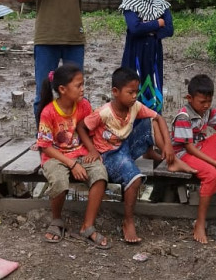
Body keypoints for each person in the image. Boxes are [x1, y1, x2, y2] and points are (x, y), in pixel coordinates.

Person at [77, 67, 195, 244]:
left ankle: (170, 160)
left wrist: (168, 146)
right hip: (109, 155)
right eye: (130, 92)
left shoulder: (135, 106)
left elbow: (159, 118)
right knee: (135, 179)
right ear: (115, 92)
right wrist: (92, 150)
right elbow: (81, 127)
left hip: (125, 145)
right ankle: (128, 221)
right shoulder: (104, 112)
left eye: (136, 92)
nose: (134, 96)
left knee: (150, 122)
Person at [35, 63, 110, 249]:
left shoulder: (83, 106)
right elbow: (44, 146)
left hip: (81, 153)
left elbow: (87, 131)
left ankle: (87, 225)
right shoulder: (49, 112)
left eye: (83, 84)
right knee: (59, 180)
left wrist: (93, 151)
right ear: (62, 89)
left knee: (100, 175)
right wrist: (71, 164)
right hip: (55, 157)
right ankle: (57, 220)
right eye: (78, 85)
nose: (83, 89)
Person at [171, 74, 216, 244]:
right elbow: (188, 148)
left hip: (199, 148)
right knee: (211, 173)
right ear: (189, 98)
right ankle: (200, 222)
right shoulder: (183, 117)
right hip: (183, 154)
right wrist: (215, 163)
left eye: (209, 101)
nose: (206, 106)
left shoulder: (207, 111)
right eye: (202, 102)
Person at [119, 0, 173, 114]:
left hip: (153, 53)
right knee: (132, 86)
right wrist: (157, 23)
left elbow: (169, 29)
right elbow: (134, 28)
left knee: (154, 86)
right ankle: (131, 129)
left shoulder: (161, 4)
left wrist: (148, 27)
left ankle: (153, 126)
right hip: (135, 53)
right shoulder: (130, 4)